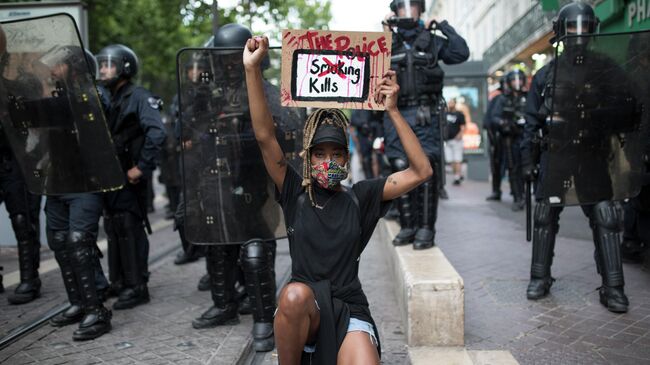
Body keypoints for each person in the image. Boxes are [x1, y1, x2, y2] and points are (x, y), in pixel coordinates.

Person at [245, 35, 432, 365]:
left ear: (347, 159)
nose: (327, 162)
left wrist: (393, 110)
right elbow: (264, 136)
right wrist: (252, 70)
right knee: (292, 294)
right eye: (319, 154)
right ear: (307, 158)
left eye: (336, 154)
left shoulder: (362, 197)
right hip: (306, 310)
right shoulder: (293, 190)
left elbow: (421, 171)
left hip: (349, 307)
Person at [521, 2, 632, 313]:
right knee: (544, 215)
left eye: (584, 27)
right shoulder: (545, 74)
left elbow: (629, 109)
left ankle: (613, 286)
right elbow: (531, 122)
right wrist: (527, 162)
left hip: (593, 153)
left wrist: (598, 112)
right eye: (572, 28)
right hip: (556, 154)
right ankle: (540, 277)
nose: (579, 34)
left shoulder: (607, 69)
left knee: (605, 216)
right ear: (561, 31)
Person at [40, 46, 113, 340]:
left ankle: (97, 310)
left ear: (73, 67)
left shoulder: (93, 95)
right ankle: (77, 302)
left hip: (86, 183)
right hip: (58, 182)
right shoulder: (55, 99)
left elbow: (95, 113)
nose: (53, 71)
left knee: (79, 242)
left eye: (58, 66)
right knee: (58, 241)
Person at [383, 0, 469, 249]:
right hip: (397, 113)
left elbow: (461, 52)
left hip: (426, 114)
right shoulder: (387, 42)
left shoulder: (431, 40)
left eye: (412, 7)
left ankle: (426, 229)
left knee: (427, 169)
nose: (407, 12)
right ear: (395, 12)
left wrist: (442, 26)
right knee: (399, 165)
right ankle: (408, 226)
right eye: (402, 8)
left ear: (421, 11)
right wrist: (383, 34)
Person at [96, 44, 166, 310]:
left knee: (128, 226)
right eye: (101, 64)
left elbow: (157, 132)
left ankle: (137, 286)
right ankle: (119, 281)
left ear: (124, 67)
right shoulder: (107, 97)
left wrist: (142, 167)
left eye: (108, 64)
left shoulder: (137, 95)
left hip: (130, 176)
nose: (103, 69)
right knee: (113, 226)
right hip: (111, 176)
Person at [0, 26, 42, 305]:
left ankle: (30, 278)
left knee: (22, 217)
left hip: (15, 155)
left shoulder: (18, 77)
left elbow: (34, 109)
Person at [494, 69, 528, 211]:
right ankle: (517, 196)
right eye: (514, 80)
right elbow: (494, 117)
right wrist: (505, 124)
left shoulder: (527, 96)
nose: (517, 83)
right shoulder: (503, 99)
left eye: (519, 79)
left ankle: (525, 195)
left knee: (527, 167)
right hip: (511, 138)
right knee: (513, 168)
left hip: (526, 136)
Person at [484, 77, 507, 201]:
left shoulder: (520, 97)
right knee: (497, 165)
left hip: (515, 137)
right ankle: (496, 190)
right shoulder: (498, 98)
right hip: (499, 139)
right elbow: (489, 120)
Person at [444, 98, 465, 186]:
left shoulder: (459, 114)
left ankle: (457, 176)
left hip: (457, 141)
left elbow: (463, 126)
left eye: (451, 102)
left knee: (457, 159)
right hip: (448, 141)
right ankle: (457, 174)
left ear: (455, 103)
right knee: (450, 160)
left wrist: (460, 134)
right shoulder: (445, 114)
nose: (450, 104)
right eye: (449, 102)